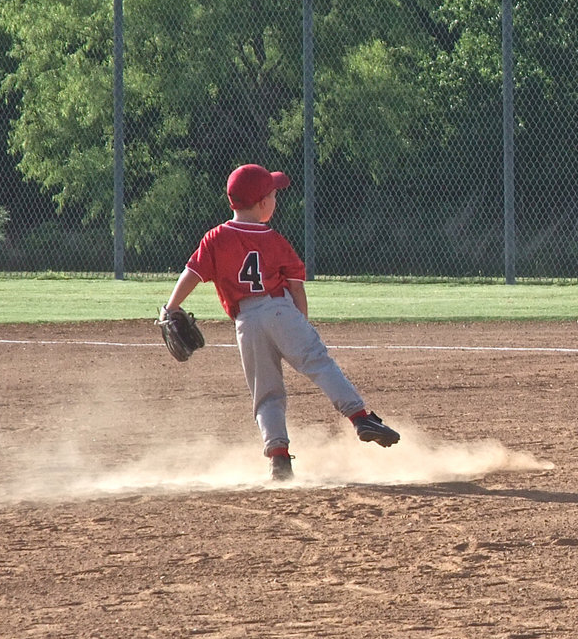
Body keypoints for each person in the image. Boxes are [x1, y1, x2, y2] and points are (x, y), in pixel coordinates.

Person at [160, 163, 399, 482]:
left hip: (246, 321)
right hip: (280, 311)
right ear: (261, 203)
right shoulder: (274, 239)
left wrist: (170, 308)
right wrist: (302, 325)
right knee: (318, 363)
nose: (276, 200)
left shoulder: (216, 238)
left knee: (266, 393)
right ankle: (360, 417)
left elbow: (192, 274)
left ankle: (279, 460)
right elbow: (296, 286)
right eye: (273, 195)